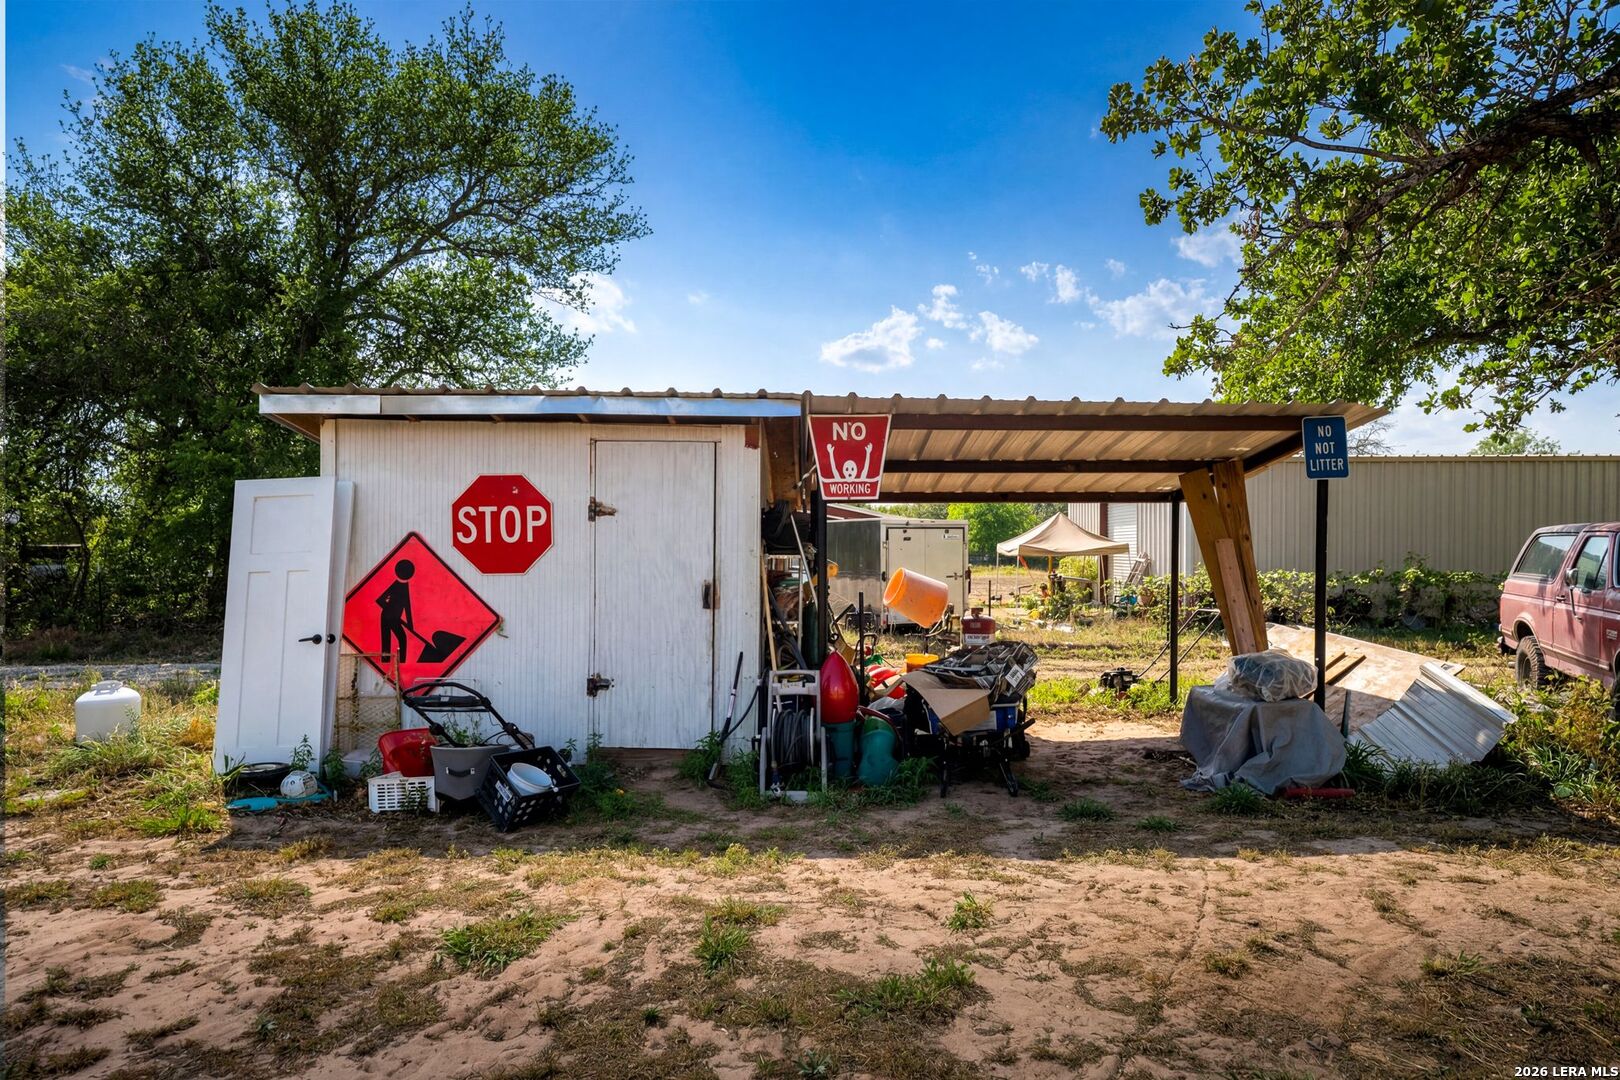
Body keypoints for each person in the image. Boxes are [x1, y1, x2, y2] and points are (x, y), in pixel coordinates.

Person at [378, 559, 415, 664]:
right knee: (399, 638)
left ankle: (398, 662)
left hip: (390, 616)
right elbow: (380, 600)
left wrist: (410, 625)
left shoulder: (403, 586)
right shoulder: (397, 585)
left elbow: (407, 607)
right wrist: (390, 609)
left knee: (396, 638)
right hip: (389, 617)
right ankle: (397, 662)